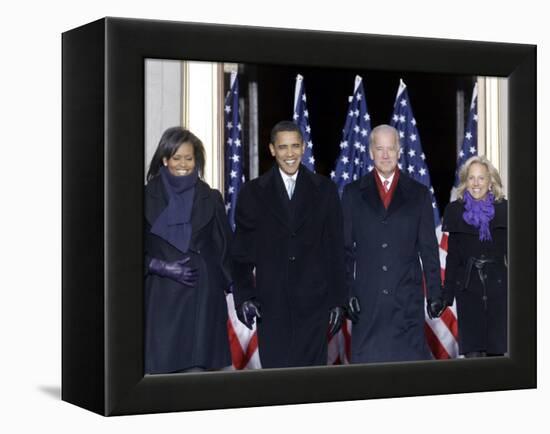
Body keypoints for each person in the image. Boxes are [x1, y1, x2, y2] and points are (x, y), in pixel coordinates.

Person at [231, 121, 347, 368]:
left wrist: (338, 299)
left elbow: (336, 250)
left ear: (304, 147)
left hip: (314, 306)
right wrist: (244, 297)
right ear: (272, 149)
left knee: (312, 385)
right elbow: (241, 253)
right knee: (277, 386)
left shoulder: (325, 190)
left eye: (295, 146)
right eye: (283, 147)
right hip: (271, 306)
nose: (290, 153)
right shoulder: (253, 192)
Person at [341, 124, 446, 364]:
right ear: (370, 152)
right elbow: (343, 250)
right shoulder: (352, 194)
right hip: (367, 308)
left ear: (399, 151)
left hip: (406, 305)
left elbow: (429, 250)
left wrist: (435, 294)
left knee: (408, 382)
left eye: (391, 149)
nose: (386, 155)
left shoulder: (419, 194)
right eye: (380, 149)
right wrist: (346, 293)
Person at [144, 126, 233, 374]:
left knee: (200, 383)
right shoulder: (141, 197)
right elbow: (122, 253)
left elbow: (225, 248)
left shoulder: (211, 197)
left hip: (203, 303)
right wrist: (158, 266)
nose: (183, 164)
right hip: (161, 301)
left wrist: (226, 286)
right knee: (160, 380)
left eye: (189, 158)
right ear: (165, 159)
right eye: (176, 157)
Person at [442, 155, 507, 358]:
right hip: (468, 292)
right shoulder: (455, 211)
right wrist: (446, 296)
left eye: (481, 178)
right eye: (471, 178)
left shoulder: (504, 209)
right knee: (473, 361)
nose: (476, 183)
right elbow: (452, 259)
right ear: (465, 181)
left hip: (499, 293)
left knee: (498, 360)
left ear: (490, 182)